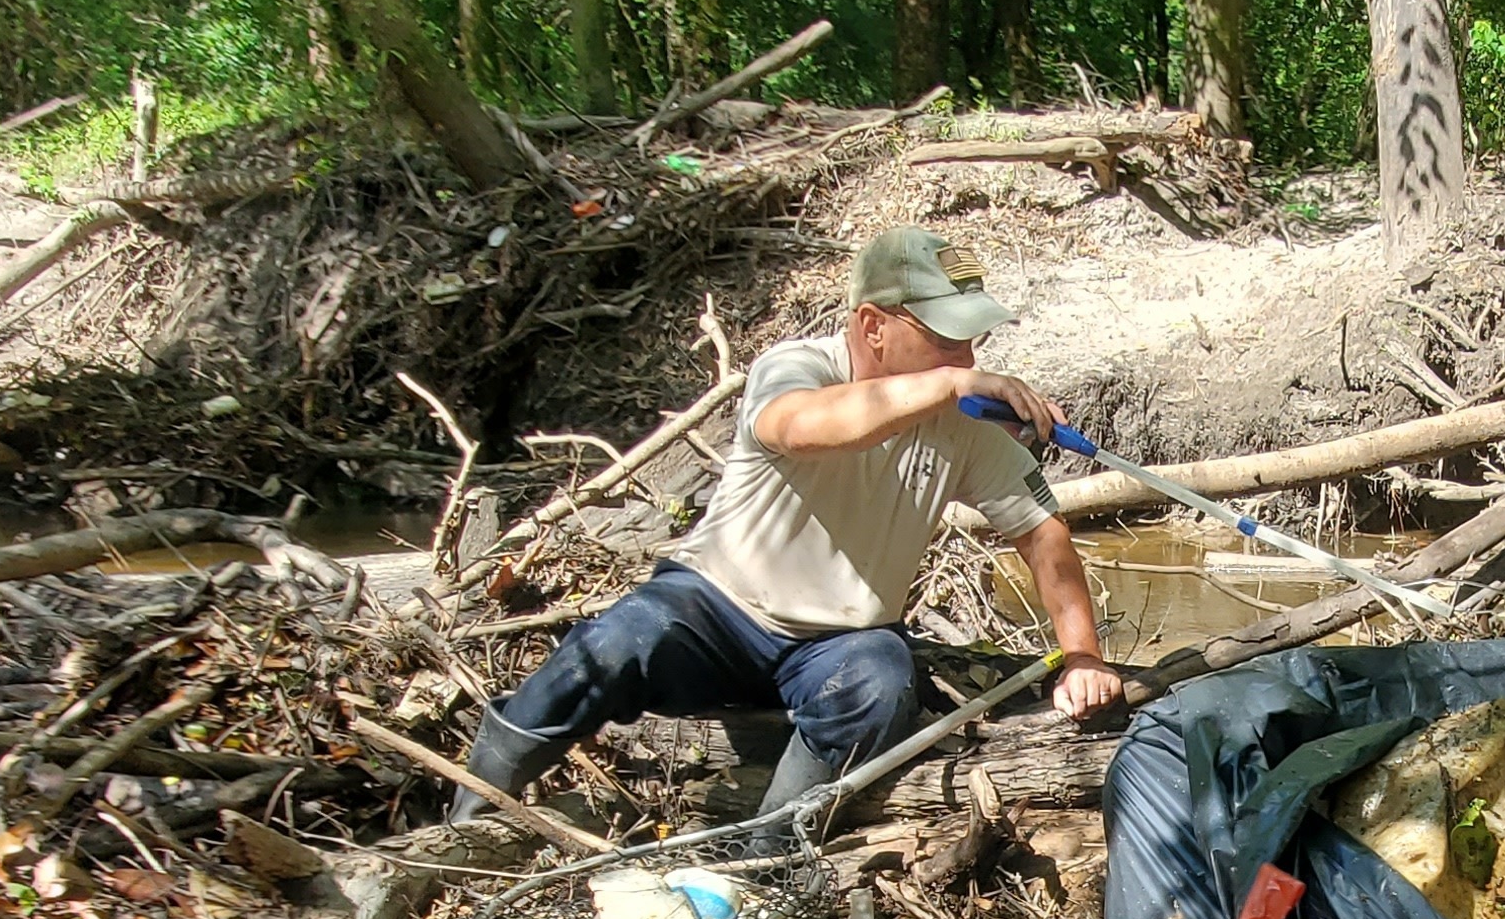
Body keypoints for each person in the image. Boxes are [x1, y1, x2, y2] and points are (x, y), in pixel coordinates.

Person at [454, 227, 1126, 838]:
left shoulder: (962, 421)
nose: (967, 354)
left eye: (970, 339)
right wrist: (950, 380)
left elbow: (1041, 532)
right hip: (715, 613)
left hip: (837, 644)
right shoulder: (799, 366)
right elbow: (805, 427)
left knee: (880, 682)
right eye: (946, 336)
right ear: (873, 326)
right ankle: (476, 806)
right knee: (616, 641)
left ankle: (766, 856)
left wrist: (1082, 657)